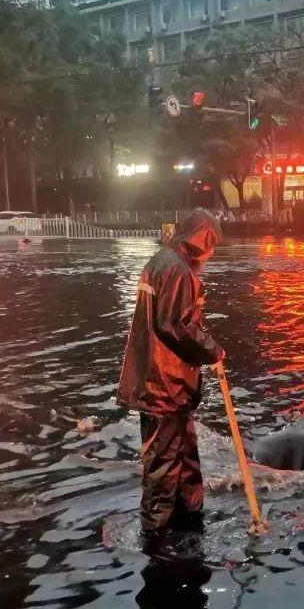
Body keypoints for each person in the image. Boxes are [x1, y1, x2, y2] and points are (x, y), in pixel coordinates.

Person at [117, 209, 225, 538]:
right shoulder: (178, 271)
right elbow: (175, 326)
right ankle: (158, 539)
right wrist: (213, 350)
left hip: (166, 384)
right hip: (165, 385)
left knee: (183, 456)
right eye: (212, 245)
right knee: (164, 465)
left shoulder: (162, 262)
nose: (212, 254)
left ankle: (190, 517)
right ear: (201, 240)